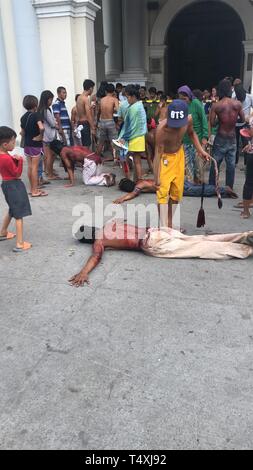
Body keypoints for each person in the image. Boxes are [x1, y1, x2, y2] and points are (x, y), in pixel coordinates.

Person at [69, 222, 253, 286]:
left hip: (152, 243)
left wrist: (84, 272)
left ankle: (246, 249)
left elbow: (96, 256)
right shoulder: (111, 224)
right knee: (199, 239)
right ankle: (245, 236)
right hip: (159, 231)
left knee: (200, 248)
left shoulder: (100, 240)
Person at [153, 99, 210, 228]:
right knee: (162, 192)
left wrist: (201, 151)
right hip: (165, 159)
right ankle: (163, 227)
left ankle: (169, 223)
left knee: (176, 192)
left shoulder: (188, 120)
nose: (177, 126)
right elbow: (157, 154)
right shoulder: (161, 130)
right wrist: (156, 177)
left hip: (179, 155)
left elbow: (191, 133)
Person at [0, 127, 32, 252]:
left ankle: (3, 231)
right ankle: (19, 243)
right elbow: (16, 174)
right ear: (5, 144)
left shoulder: (3, 155)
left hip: (6, 184)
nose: (14, 144)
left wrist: (14, 159)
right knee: (19, 214)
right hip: (14, 185)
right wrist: (20, 162)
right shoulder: (6, 158)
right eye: (13, 142)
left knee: (12, 209)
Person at [209, 79, 245, 189]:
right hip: (232, 138)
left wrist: (221, 119)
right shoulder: (237, 104)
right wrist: (232, 120)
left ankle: (212, 187)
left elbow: (212, 123)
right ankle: (229, 188)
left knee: (215, 163)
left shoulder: (216, 106)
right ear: (230, 90)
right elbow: (242, 119)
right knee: (231, 165)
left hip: (221, 137)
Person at [113, 178, 238, 204]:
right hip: (175, 179)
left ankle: (223, 189)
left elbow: (133, 193)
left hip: (173, 185)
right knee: (198, 189)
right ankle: (221, 189)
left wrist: (122, 199)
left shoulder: (141, 184)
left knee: (199, 191)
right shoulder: (141, 179)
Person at [50, 140, 115, 187]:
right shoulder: (70, 148)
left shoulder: (63, 152)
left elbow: (69, 166)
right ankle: (108, 175)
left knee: (87, 181)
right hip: (98, 160)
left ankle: (105, 178)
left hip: (91, 162)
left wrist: (72, 183)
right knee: (94, 177)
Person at [178, 85, 209, 183]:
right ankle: (190, 183)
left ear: (189, 96)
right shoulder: (180, 106)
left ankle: (198, 182)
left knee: (198, 164)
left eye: (185, 98)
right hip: (185, 140)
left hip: (197, 139)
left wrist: (205, 137)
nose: (183, 101)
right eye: (181, 99)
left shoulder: (196, 103)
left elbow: (204, 120)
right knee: (188, 164)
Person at [117, 84, 147, 181]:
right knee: (137, 161)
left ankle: (130, 181)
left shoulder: (133, 108)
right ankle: (138, 182)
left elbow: (129, 127)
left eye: (128, 97)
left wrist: (123, 138)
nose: (127, 99)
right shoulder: (140, 105)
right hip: (140, 136)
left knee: (125, 159)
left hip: (132, 137)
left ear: (133, 96)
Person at [20, 95, 47, 197]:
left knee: (30, 167)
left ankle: (32, 189)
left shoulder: (23, 117)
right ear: (35, 104)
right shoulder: (37, 115)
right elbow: (42, 128)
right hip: (35, 144)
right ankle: (35, 191)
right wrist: (40, 136)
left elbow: (22, 133)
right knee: (35, 168)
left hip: (27, 144)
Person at [38, 90, 58, 180]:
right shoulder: (46, 110)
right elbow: (53, 123)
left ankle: (48, 171)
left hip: (45, 136)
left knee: (48, 156)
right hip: (49, 136)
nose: (51, 102)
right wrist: (56, 124)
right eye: (50, 99)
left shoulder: (41, 110)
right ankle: (50, 174)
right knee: (50, 155)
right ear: (46, 100)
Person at [97, 83, 119, 157]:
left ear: (106, 91)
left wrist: (97, 121)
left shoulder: (102, 100)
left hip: (102, 121)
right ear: (113, 91)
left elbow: (98, 112)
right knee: (114, 142)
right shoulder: (114, 99)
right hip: (110, 121)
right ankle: (115, 159)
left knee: (101, 142)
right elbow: (118, 110)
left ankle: (97, 158)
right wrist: (113, 110)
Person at [234, 83, 253, 164]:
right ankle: (235, 162)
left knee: (246, 144)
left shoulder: (250, 97)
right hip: (235, 124)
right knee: (235, 144)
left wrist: (250, 116)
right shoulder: (233, 98)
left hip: (245, 124)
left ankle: (246, 163)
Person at [76, 79, 96, 147]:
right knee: (86, 147)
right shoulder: (85, 99)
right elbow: (88, 114)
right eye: (93, 88)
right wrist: (93, 127)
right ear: (90, 88)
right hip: (85, 124)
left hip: (79, 123)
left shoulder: (79, 97)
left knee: (82, 145)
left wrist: (90, 107)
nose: (92, 91)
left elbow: (82, 111)